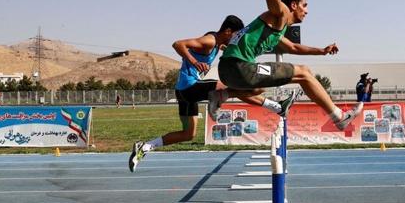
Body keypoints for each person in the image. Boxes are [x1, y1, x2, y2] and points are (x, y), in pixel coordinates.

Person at [212, 0, 363, 130]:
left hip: (229, 71)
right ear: (293, 5)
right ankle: (339, 116)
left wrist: (322, 51)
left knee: (259, 89)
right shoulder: (281, 13)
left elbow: (294, 48)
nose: (307, 11)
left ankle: (221, 95)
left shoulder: (276, 30)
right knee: (304, 72)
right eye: (304, 5)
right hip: (240, 68)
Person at [128, 15, 298, 172]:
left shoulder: (217, 43)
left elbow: (227, 47)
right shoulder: (209, 41)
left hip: (183, 92)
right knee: (235, 87)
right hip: (190, 86)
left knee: (188, 134)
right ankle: (276, 106)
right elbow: (178, 44)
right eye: (235, 36)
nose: (236, 39)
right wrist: (195, 62)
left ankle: (145, 147)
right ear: (228, 31)